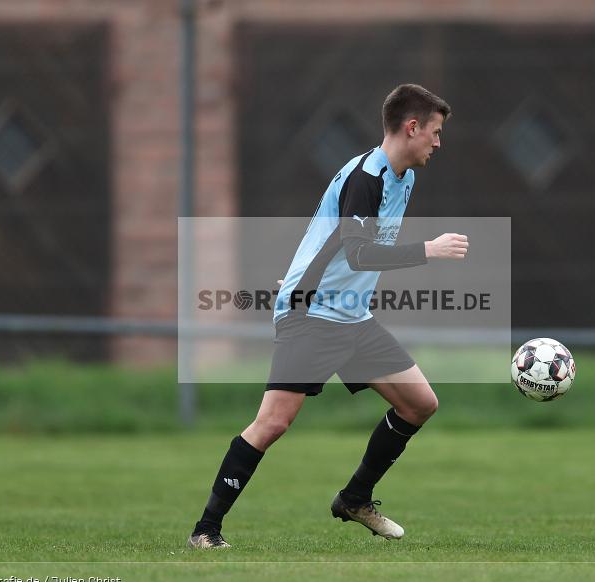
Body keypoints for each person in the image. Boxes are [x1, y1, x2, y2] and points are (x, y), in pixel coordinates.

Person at [189, 83, 468, 548]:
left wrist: (302, 275)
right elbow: (359, 254)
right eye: (435, 133)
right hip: (313, 315)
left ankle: (355, 498)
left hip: (349, 315)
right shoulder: (367, 178)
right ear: (412, 127)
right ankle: (205, 531)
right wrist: (429, 250)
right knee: (273, 423)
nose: (438, 143)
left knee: (420, 403)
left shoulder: (403, 178)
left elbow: (334, 236)